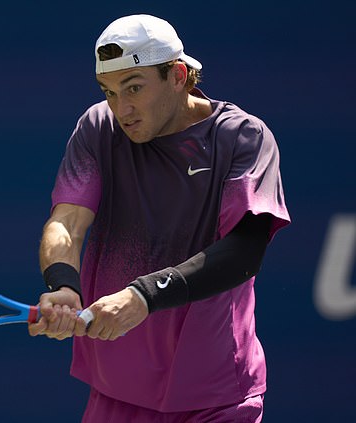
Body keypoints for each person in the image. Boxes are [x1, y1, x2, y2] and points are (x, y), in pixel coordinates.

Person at [28, 14, 290, 422]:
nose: (121, 108)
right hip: (116, 391)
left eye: (134, 88)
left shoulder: (242, 138)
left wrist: (143, 296)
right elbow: (67, 222)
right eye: (109, 92)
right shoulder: (98, 128)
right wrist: (63, 284)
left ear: (179, 75)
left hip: (216, 396)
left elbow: (245, 250)